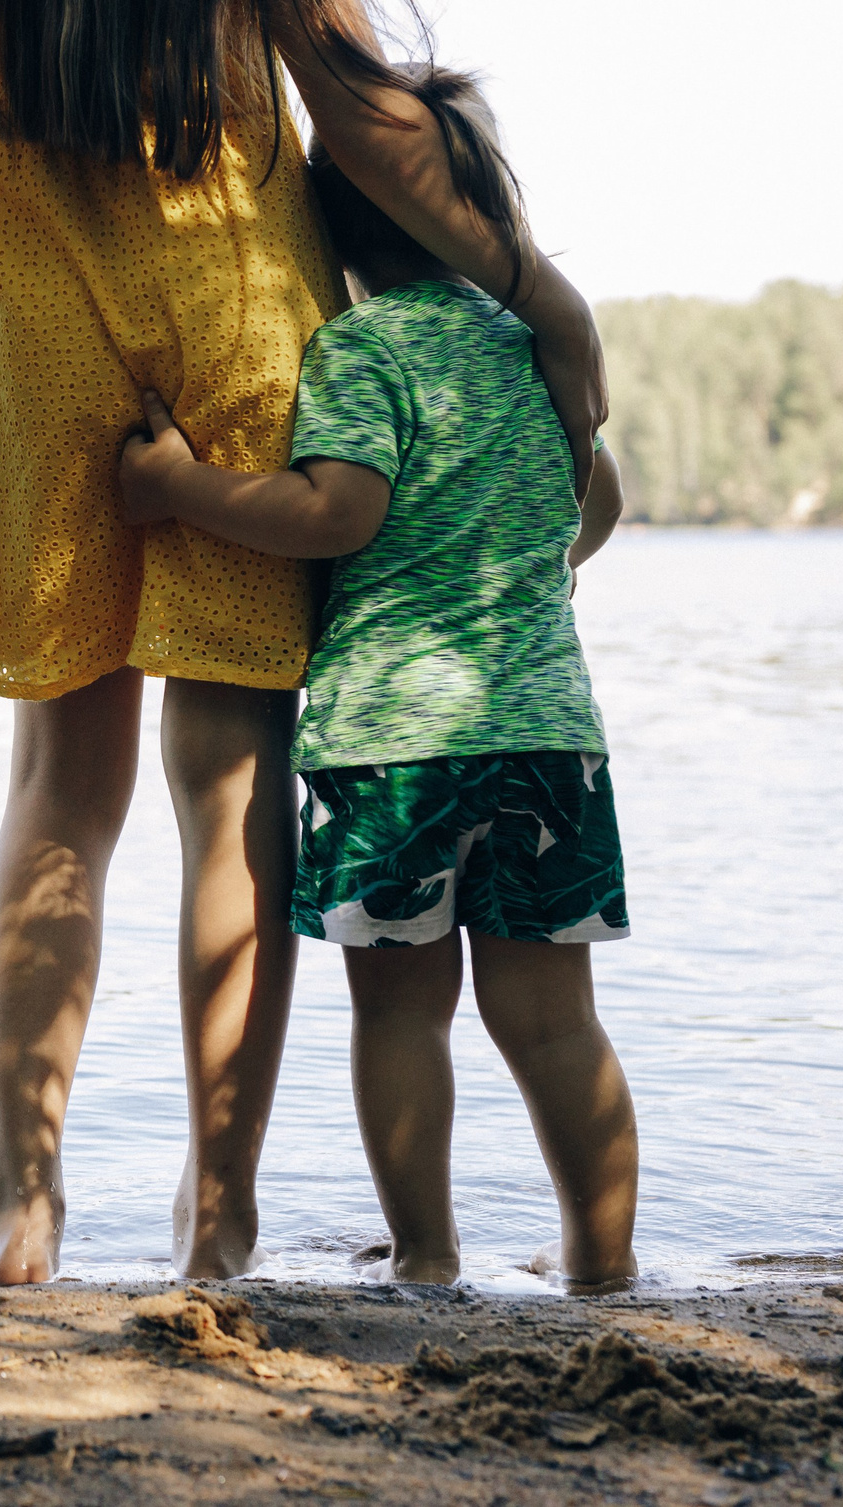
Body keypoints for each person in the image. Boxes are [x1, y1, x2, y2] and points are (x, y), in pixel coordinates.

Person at [0, 0, 611, 1282]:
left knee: (62, 788)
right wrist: (535, 287)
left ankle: (23, 1206)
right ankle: (220, 1215)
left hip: (31, 314)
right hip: (242, 315)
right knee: (231, 788)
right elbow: (356, 111)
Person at [119, 67, 640, 1293]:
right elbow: (599, 499)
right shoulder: (528, 351)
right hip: (544, 738)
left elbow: (336, 514)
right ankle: (603, 1265)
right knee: (556, 1021)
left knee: (403, 1014)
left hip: (388, 751)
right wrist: (522, 569)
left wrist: (179, 488)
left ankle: (425, 1258)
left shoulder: (356, 352)